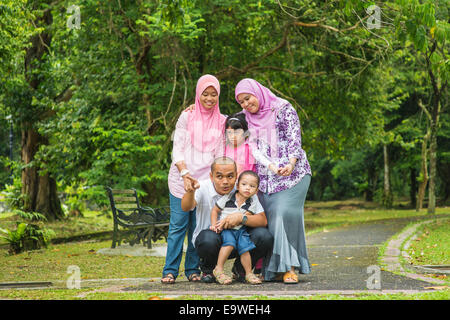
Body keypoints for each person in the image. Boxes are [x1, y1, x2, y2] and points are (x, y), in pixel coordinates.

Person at [235, 78, 312, 284]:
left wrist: (291, 163)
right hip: (266, 180)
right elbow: (225, 123)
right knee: (270, 221)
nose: (245, 104)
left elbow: (295, 139)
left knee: (282, 214)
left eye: (247, 98)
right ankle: (274, 269)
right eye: (241, 101)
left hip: (293, 175)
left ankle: (290, 268)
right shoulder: (246, 118)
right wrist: (193, 108)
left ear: (257, 92)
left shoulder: (282, 108)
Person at [162, 74, 226, 284]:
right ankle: (170, 271)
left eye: (213, 94)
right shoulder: (186, 116)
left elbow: (219, 154)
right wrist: (184, 173)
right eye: (205, 94)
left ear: (218, 96)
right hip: (182, 179)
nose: (209, 98)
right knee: (178, 227)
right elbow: (177, 148)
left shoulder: (222, 120)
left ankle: (192, 269)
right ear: (198, 94)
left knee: (197, 229)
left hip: (205, 184)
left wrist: (214, 182)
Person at [181, 156, 273, 283]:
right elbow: (186, 207)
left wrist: (242, 218)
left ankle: (240, 270)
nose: (225, 181)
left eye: (230, 176)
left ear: (236, 176)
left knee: (264, 236)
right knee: (209, 239)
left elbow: (263, 220)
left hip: (239, 238)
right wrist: (190, 192)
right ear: (211, 176)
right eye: (219, 176)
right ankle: (209, 270)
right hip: (211, 241)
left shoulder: (245, 189)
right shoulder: (201, 187)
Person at [209, 170, 264, 285]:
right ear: (237, 185)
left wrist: (236, 217)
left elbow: (247, 215)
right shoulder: (229, 196)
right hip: (227, 228)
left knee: (245, 248)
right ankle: (218, 269)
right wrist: (214, 225)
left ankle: (248, 273)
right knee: (229, 244)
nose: (248, 188)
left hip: (241, 229)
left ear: (256, 190)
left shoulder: (253, 200)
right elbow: (215, 210)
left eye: (252, 186)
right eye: (244, 184)